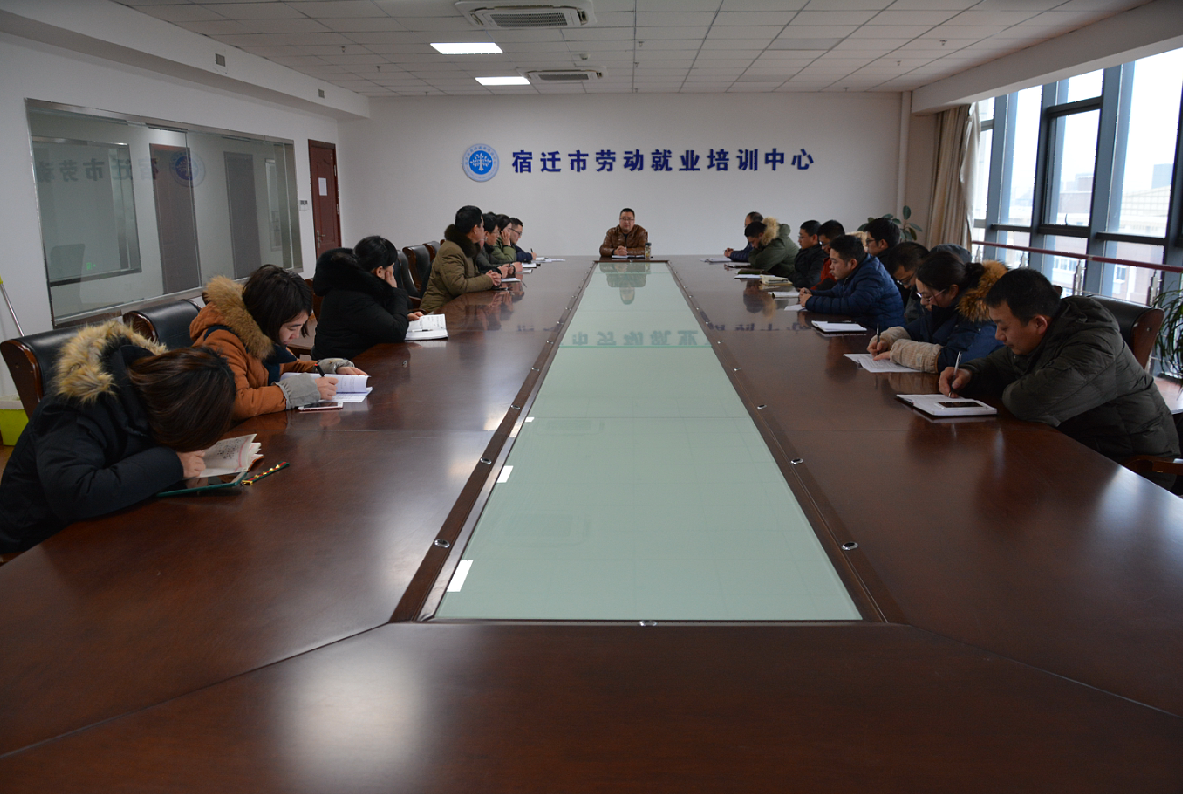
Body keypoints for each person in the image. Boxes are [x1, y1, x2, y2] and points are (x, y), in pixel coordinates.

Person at [0, 322, 236, 553]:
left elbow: (134, 463)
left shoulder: (151, 399)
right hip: (38, 542)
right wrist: (173, 464)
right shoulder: (77, 406)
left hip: (105, 525)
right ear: (178, 415)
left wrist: (181, 480)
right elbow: (75, 494)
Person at [941, 268, 1180, 480]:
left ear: (1039, 323)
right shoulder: (1052, 329)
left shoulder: (1093, 347)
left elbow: (1028, 404)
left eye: (1004, 327)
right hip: (1084, 451)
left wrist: (1011, 385)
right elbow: (999, 364)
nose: (998, 336)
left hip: (1137, 469)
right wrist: (969, 373)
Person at [191, 265, 365, 421]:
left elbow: (289, 366)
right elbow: (237, 403)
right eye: (291, 328)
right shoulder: (221, 341)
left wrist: (327, 368)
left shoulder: (263, 333)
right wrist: (291, 393)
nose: (296, 335)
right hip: (231, 433)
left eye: (301, 326)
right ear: (270, 318)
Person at [868, 253, 1006, 373]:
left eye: (928, 297)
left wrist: (901, 352)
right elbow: (916, 330)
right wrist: (888, 339)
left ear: (952, 291)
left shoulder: (980, 315)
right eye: (921, 295)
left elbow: (954, 360)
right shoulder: (944, 306)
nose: (923, 302)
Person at [311, 236, 424, 360]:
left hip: (358, 354)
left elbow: (370, 316)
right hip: (341, 363)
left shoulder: (356, 282)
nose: (393, 270)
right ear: (379, 271)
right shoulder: (353, 294)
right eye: (391, 265)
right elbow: (396, 332)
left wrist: (400, 317)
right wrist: (395, 291)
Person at [798, 234, 904, 330]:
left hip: (883, 334)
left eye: (834, 262)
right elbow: (836, 293)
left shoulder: (872, 275)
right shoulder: (856, 270)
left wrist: (811, 301)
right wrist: (812, 294)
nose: (831, 267)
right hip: (866, 327)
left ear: (852, 263)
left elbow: (853, 306)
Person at [420, 204, 503, 312]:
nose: (483, 230)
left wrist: (491, 277)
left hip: (458, 307)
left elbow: (471, 276)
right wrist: (488, 280)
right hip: (439, 310)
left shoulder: (465, 247)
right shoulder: (452, 250)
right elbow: (457, 286)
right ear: (475, 229)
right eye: (482, 226)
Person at [884, 241, 929, 323]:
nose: (906, 286)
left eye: (907, 280)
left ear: (921, 269)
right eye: (901, 282)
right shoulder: (914, 291)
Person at [813, 219, 846, 291]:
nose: (823, 248)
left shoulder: (848, 262)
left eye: (824, 243)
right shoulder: (828, 262)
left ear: (836, 240)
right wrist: (809, 291)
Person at [791, 220, 825, 288]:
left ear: (814, 237)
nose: (799, 241)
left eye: (801, 237)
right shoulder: (803, 252)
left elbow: (810, 283)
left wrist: (795, 276)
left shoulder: (821, 256)